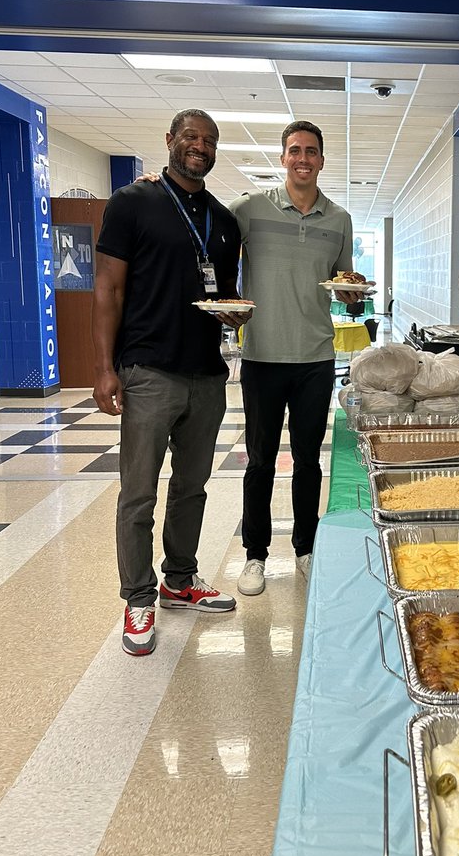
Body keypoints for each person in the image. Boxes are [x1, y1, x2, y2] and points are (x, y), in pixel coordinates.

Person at [92, 109, 247, 656]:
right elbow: (108, 289)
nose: (199, 146)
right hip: (148, 369)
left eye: (208, 140)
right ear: (170, 141)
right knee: (138, 492)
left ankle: (179, 580)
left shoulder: (223, 221)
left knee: (192, 487)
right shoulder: (133, 202)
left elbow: (224, 295)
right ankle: (137, 598)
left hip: (206, 372)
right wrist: (106, 366)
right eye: (190, 137)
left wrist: (235, 315)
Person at [232, 121, 361, 596]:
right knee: (260, 461)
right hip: (263, 356)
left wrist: (352, 295)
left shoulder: (339, 219)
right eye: (294, 150)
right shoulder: (250, 209)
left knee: (309, 461)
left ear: (322, 160)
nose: (302, 158)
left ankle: (305, 549)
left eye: (311, 151)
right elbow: (202, 220)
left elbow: (346, 287)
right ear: (282, 157)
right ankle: (255, 556)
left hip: (315, 358)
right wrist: (158, 186)